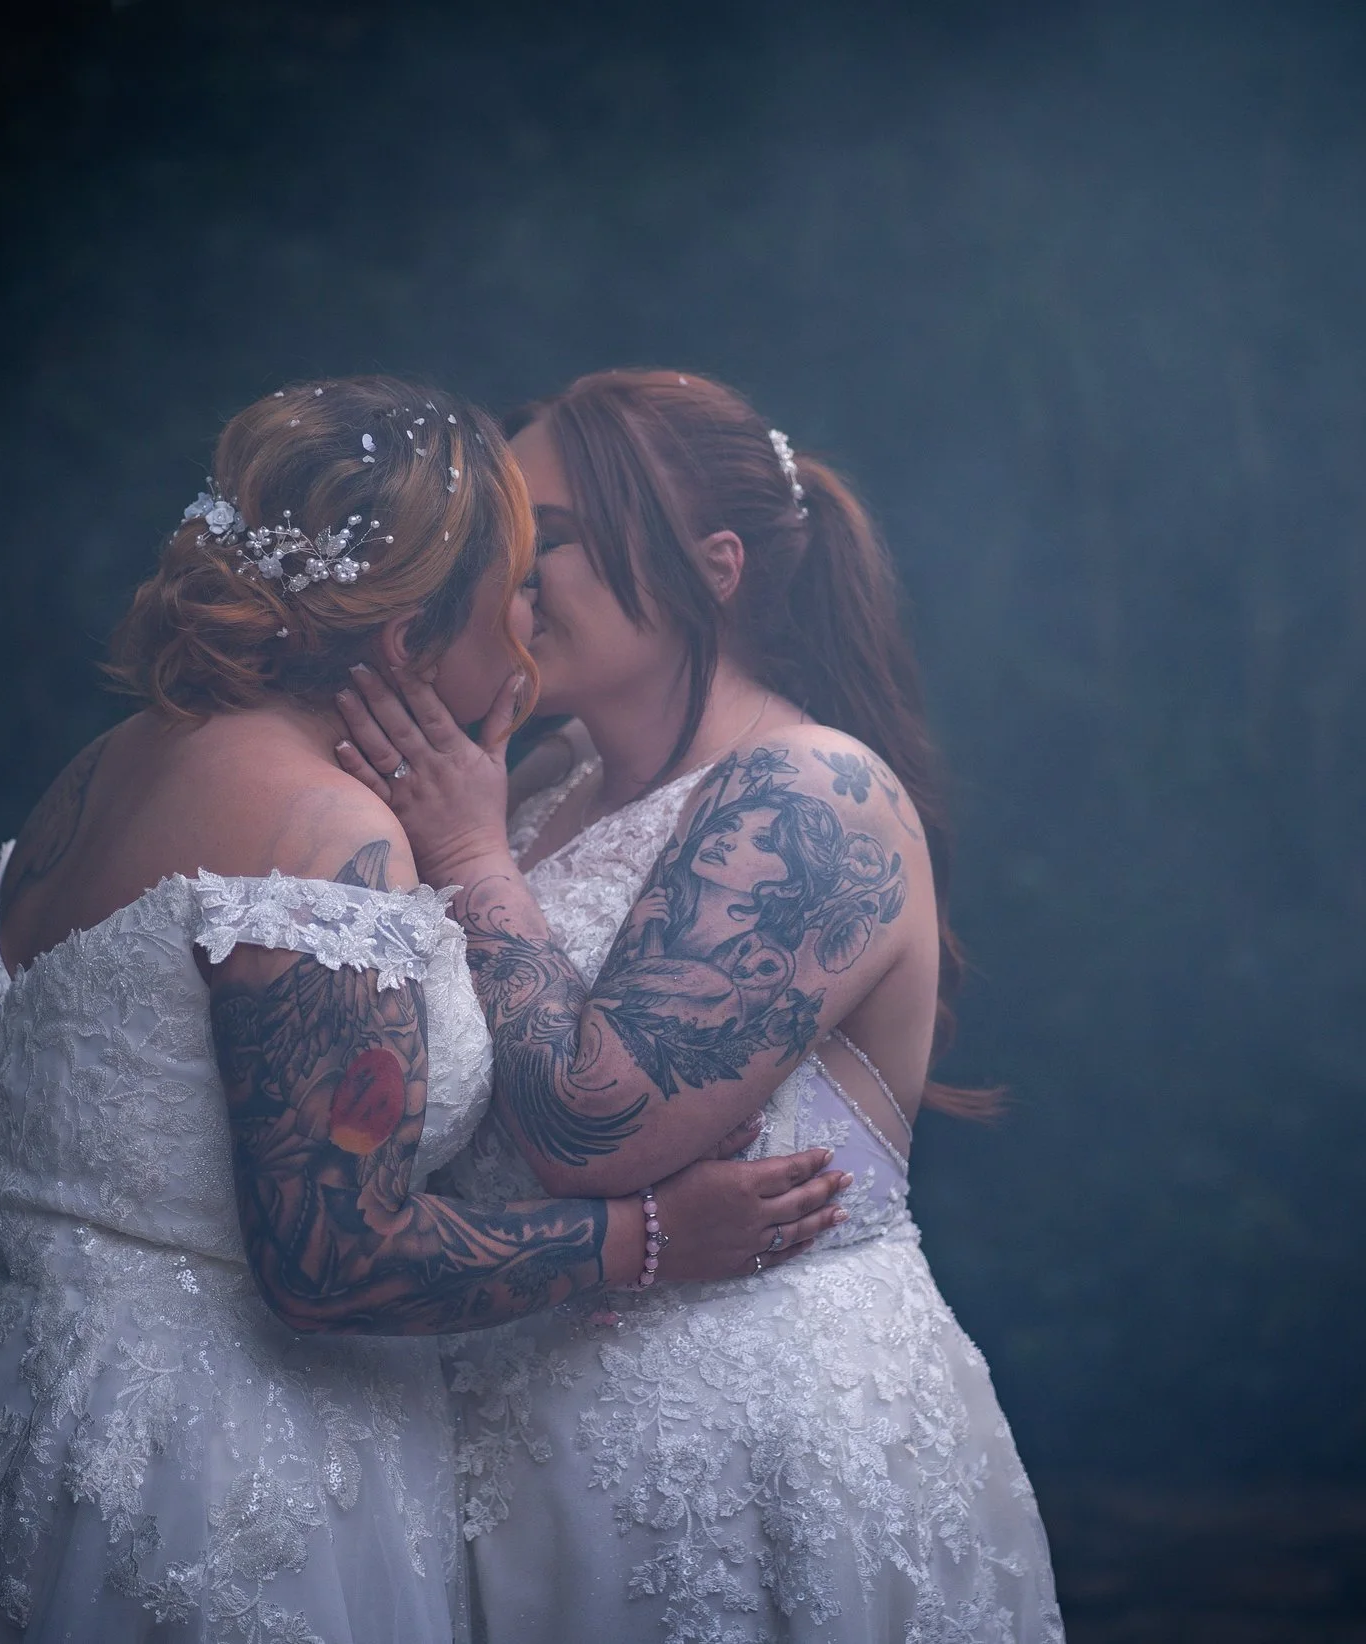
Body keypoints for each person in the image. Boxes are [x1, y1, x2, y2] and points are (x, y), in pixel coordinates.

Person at [0, 377, 849, 1643]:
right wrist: (642, 1239)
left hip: (10, 1396)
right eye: (509, 594)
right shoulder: (322, 830)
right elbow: (331, 1260)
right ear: (413, 635)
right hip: (215, 1468)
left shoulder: (106, 766)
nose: (528, 629)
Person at [335, 369, 1064, 1642]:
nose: (505, 585)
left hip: (744, 1455)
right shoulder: (539, 786)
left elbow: (591, 1130)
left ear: (712, 566)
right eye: (496, 547)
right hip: (514, 1449)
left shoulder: (813, 793)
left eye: (544, 541)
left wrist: (464, 863)